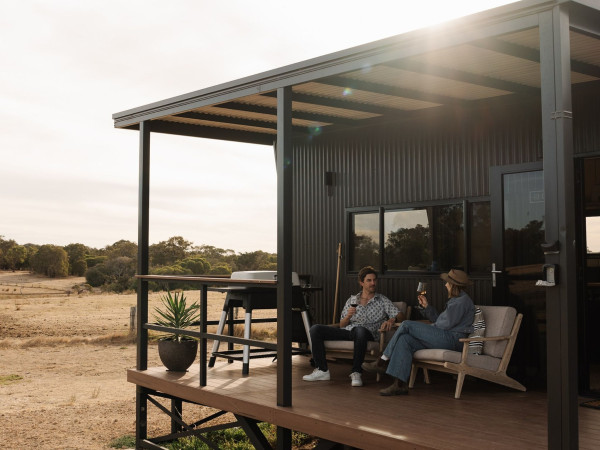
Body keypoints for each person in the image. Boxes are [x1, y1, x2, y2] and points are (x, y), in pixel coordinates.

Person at [362, 268, 475, 396]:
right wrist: (426, 307)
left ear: (454, 285)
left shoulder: (461, 302)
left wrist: (423, 330)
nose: (445, 284)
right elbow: (441, 321)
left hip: (454, 340)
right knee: (405, 340)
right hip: (446, 336)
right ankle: (399, 385)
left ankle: (382, 361)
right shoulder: (457, 300)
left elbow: (443, 325)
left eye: (447, 282)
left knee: (406, 325)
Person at [303, 266, 400, 387]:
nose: (373, 283)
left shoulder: (382, 300)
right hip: (349, 331)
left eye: (374, 280)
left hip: (368, 333)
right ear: (361, 282)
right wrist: (348, 316)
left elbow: (401, 315)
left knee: (360, 330)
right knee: (315, 329)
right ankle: (322, 370)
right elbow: (342, 324)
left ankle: (356, 372)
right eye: (369, 280)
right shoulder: (352, 299)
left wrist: (392, 319)